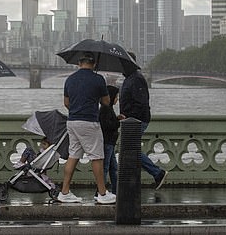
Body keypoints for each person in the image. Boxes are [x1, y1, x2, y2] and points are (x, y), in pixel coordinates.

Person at [59, 52, 116, 204]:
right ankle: (103, 194)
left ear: (79, 63)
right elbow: (106, 102)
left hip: (72, 122)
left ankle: (64, 192)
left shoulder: (70, 79)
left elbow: (66, 103)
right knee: (96, 157)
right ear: (94, 64)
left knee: (73, 155)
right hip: (89, 122)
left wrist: (77, 108)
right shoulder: (98, 79)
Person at [118, 52, 168, 189]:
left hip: (136, 121)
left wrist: (128, 117)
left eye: (122, 63)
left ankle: (157, 173)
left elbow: (141, 103)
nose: (120, 67)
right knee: (129, 149)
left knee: (131, 149)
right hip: (130, 121)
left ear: (129, 64)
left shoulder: (136, 79)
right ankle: (131, 180)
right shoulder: (129, 78)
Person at [99, 85, 120, 195]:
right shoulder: (105, 109)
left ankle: (116, 191)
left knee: (113, 168)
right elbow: (107, 125)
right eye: (116, 97)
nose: (117, 99)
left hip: (110, 142)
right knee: (106, 168)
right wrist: (117, 122)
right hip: (107, 142)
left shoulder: (107, 109)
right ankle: (100, 191)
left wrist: (116, 118)